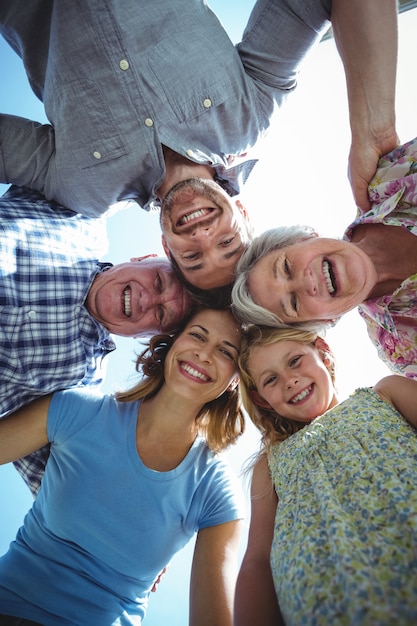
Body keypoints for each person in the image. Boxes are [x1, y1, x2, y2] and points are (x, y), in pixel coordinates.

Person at [0, 0, 399, 289]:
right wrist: (373, 133)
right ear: (241, 210)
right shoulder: (249, 114)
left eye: (191, 257)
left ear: (165, 245)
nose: (204, 237)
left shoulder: (86, 192)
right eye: (228, 242)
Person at [0, 307, 245, 626]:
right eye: (197, 335)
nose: (204, 353)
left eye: (226, 351)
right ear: (171, 343)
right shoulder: (79, 410)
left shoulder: (217, 490)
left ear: (234, 381)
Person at [0, 184, 193, 496]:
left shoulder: (80, 387)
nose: (146, 300)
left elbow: (64, 489)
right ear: (144, 256)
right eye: (158, 281)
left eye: (160, 315)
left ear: (149, 336)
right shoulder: (81, 216)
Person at [234, 324, 417, 626]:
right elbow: (256, 562)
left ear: (323, 352)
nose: (290, 380)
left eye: (295, 360)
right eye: (270, 380)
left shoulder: (385, 394)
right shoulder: (269, 465)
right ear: (262, 400)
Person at [232, 136, 417, 378]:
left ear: (306, 237)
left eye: (286, 267)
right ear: (327, 321)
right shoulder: (403, 351)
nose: (307, 282)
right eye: (294, 304)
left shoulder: (391, 177)